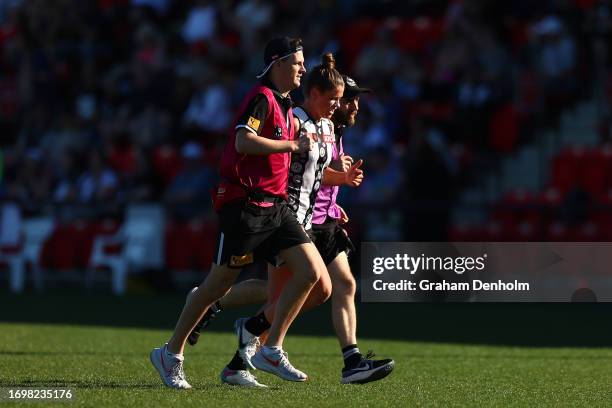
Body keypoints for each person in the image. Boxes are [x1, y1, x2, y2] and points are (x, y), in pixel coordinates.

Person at [150, 37, 329, 389]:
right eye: (297, 63)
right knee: (216, 285)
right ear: (277, 63)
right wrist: (293, 144)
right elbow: (242, 141)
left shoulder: (285, 102)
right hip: (246, 206)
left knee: (311, 274)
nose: (303, 69)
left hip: (276, 207)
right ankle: (170, 353)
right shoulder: (261, 97)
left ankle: (270, 348)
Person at [220, 52, 347, 387]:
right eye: (333, 99)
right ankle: (254, 342)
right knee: (310, 290)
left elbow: (315, 176)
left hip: (309, 219)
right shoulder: (296, 119)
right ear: (314, 93)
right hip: (285, 216)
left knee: (310, 293)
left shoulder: (328, 127)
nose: (338, 106)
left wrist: (336, 195)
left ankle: (243, 353)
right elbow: (282, 165)